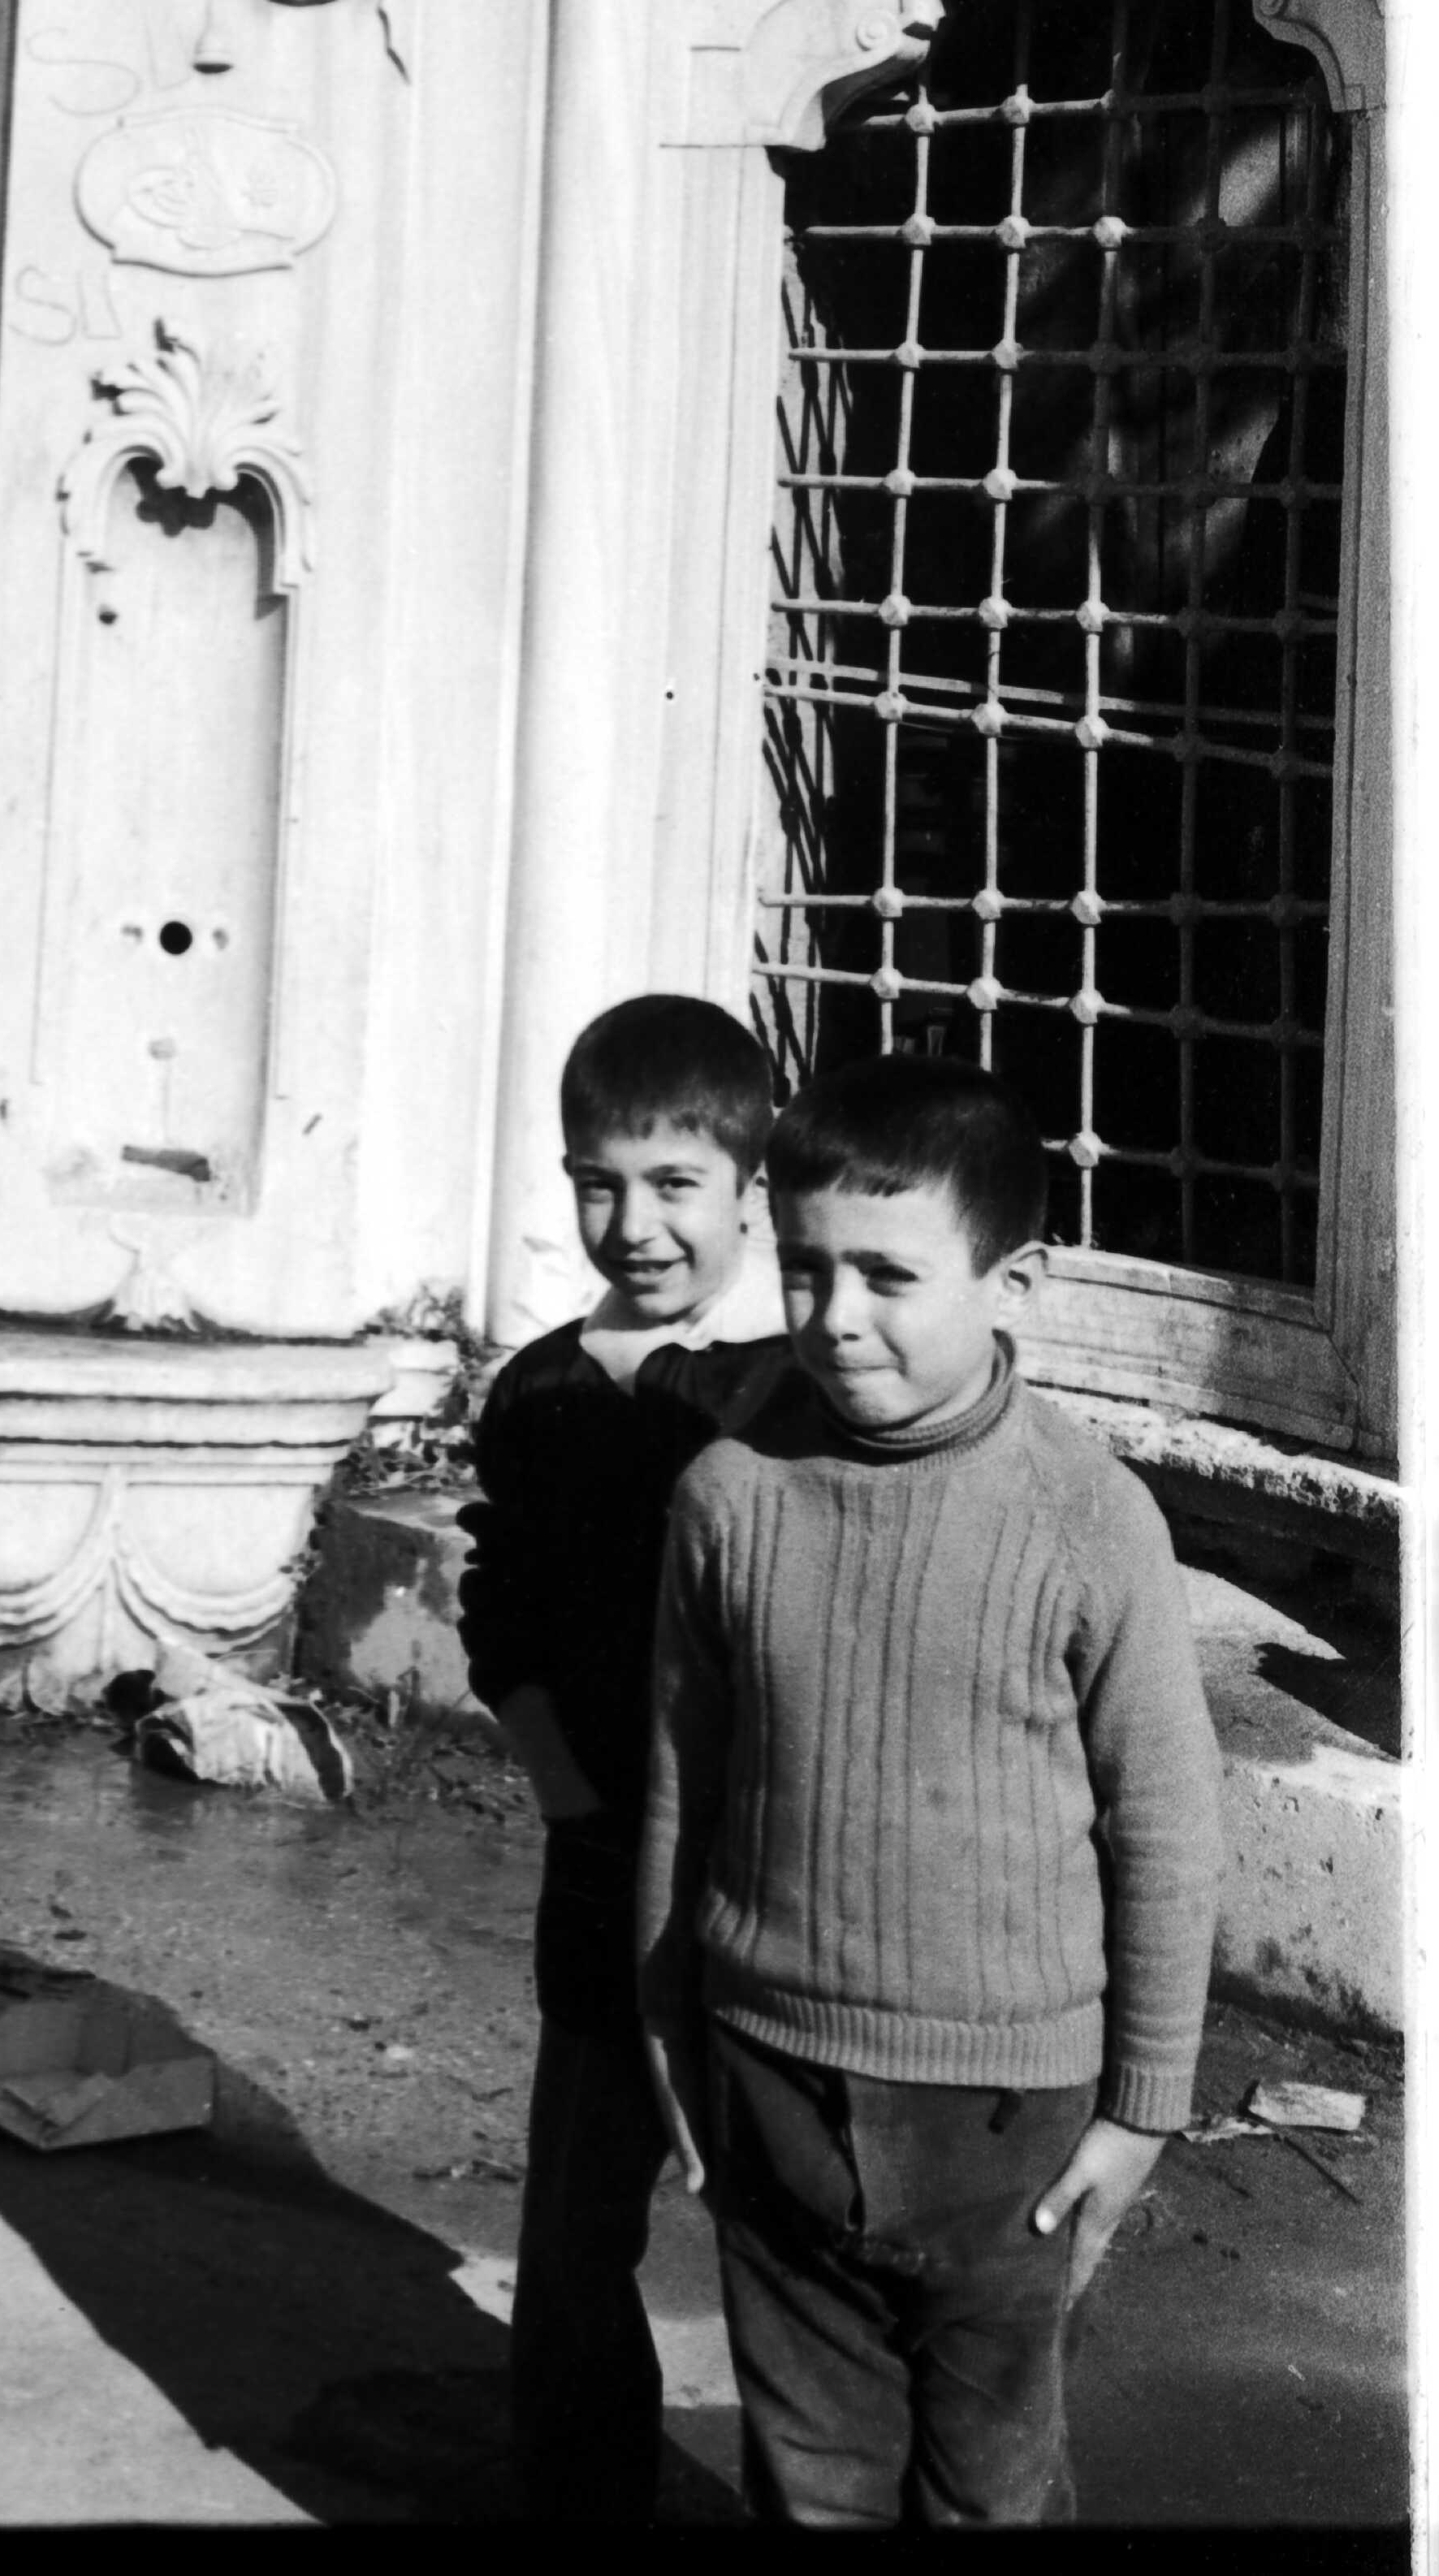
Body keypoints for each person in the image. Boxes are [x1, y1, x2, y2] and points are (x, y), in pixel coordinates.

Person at [638, 1055, 1222, 2529]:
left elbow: (1165, 1827)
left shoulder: (1090, 1519)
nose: (836, 1316)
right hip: (768, 2074)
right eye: (805, 1267)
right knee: (813, 2483)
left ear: (1012, 1281)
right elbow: (680, 1782)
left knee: (991, 2489)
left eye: (889, 1275)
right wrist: (667, 2026)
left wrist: (1143, 2109)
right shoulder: (729, 1494)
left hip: (1006, 2129)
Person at [458, 991, 789, 2527]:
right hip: (600, 1863)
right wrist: (567, 1795)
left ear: (750, 1190)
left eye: (675, 1184)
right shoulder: (539, 1389)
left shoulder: (788, 1391)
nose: (634, 1225)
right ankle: (578, 2494)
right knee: (580, 2212)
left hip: (768, 1869)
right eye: (599, 1183)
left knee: (785, 2224)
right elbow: (502, 1610)